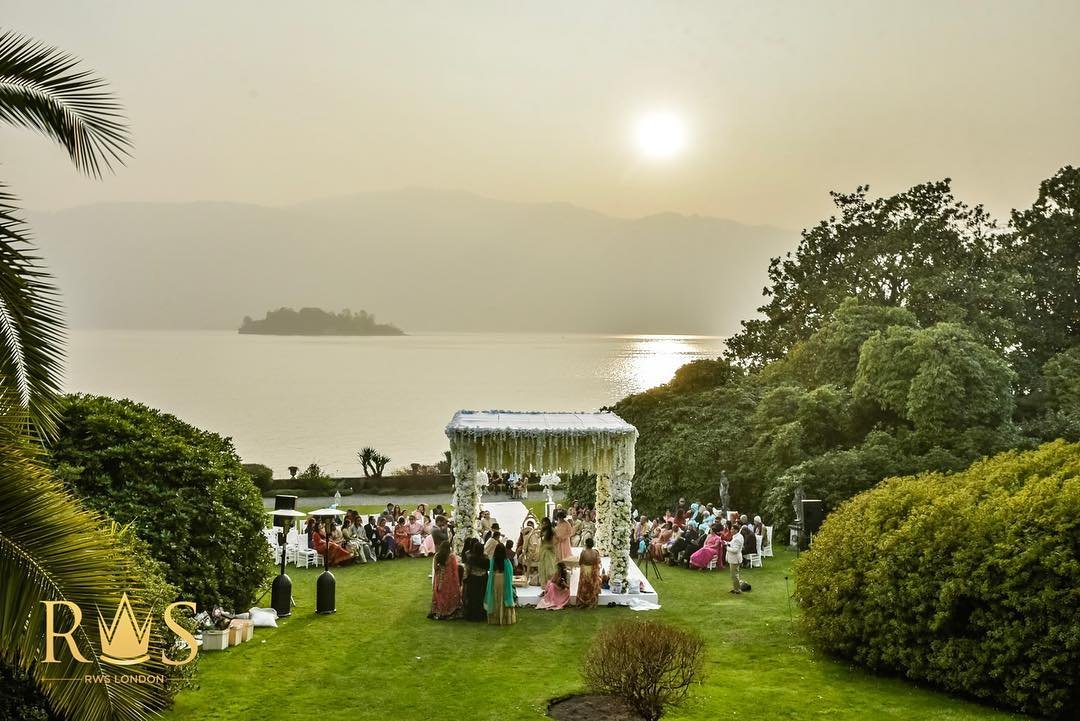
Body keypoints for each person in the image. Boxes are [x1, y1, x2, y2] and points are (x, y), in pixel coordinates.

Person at [484, 543, 516, 626]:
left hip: (495, 579)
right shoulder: (506, 561)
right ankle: (504, 618)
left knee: (496, 597)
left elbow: (491, 571)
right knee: (503, 597)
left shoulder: (493, 560)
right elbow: (510, 572)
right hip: (504, 580)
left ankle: (495, 618)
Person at [428, 541, 461, 620]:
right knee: (448, 594)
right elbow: (454, 570)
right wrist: (456, 582)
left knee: (439, 594)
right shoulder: (451, 557)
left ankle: (439, 611)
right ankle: (447, 611)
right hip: (449, 579)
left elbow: (435, 568)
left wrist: (441, 569)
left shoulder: (437, 555)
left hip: (439, 578)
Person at [462, 538, 488, 621]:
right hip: (483, 578)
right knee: (481, 596)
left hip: (473, 579)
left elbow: (468, 569)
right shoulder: (486, 558)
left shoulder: (471, 558)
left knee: (472, 597)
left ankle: (472, 615)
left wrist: (465, 578)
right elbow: (487, 568)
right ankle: (481, 614)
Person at [576, 538, 602, 609]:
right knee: (591, 586)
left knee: (584, 586)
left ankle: (583, 602)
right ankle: (591, 603)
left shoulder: (583, 552)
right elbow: (598, 562)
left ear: (586, 544)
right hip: (593, 571)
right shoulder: (596, 552)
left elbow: (580, 562)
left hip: (585, 570)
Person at [537, 517, 558, 585]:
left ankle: (551, 583)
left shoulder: (552, 530)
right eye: (543, 523)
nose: (544, 525)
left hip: (550, 550)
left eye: (545, 523)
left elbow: (558, 539)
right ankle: (544, 583)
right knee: (543, 567)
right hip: (543, 549)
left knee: (550, 567)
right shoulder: (542, 530)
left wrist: (552, 545)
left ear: (548, 523)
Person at [726, 521, 745, 593]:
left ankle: (737, 589)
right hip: (734, 558)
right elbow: (732, 544)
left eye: (732, 529)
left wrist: (727, 548)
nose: (731, 530)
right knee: (734, 575)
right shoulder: (737, 536)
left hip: (735, 559)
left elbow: (735, 550)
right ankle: (736, 588)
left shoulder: (737, 538)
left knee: (734, 575)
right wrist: (727, 543)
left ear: (736, 530)